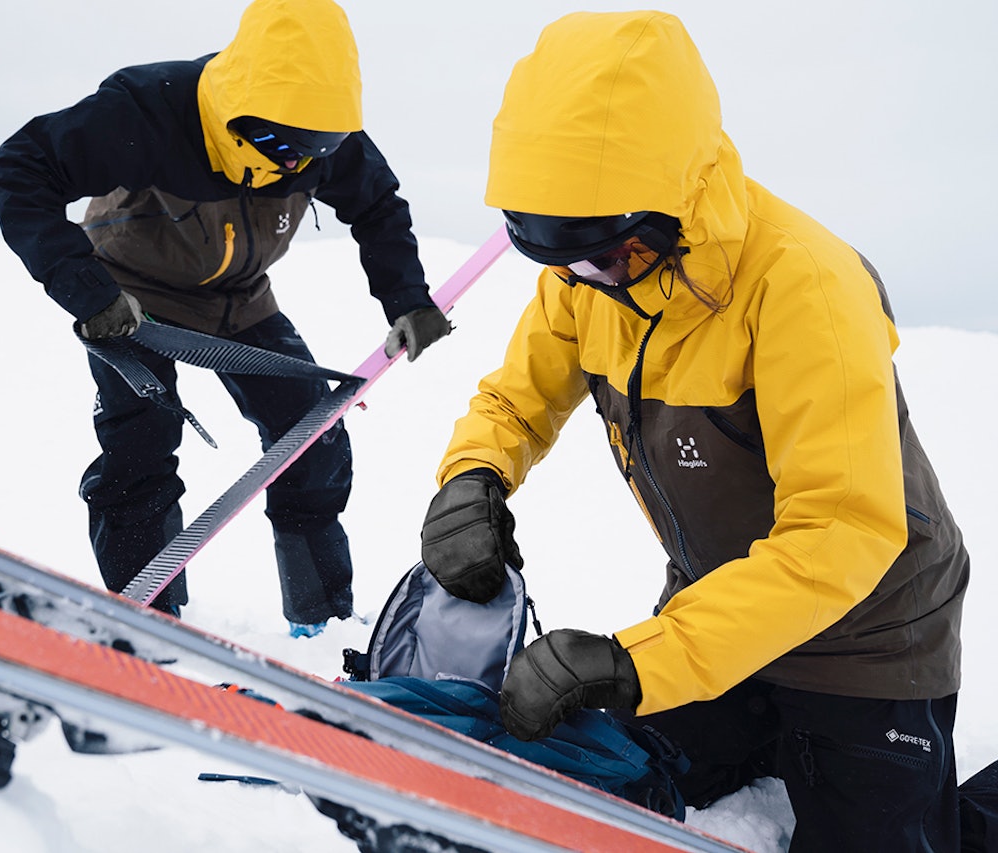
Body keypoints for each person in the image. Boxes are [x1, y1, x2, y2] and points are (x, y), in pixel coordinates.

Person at [419, 11, 995, 850]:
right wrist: (472, 477)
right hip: (723, 609)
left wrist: (640, 659)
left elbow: (839, 533)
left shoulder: (805, 286)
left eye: (600, 254)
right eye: (559, 262)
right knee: (613, 767)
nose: (580, 281)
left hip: (869, 633)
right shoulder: (594, 273)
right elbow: (515, 399)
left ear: (666, 209)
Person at [0, 0, 450, 637]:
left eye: (316, 152)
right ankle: (145, 617)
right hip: (130, 301)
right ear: (241, 110)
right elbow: (18, 170)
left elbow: (378, 207)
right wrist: (89, 294)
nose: (297, 165)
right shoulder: (145, 111)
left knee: (311, 436)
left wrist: (408, 300)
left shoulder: (317, 133)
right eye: (284, 147)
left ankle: (321, 619)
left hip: (239, 297)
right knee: (141, 442)